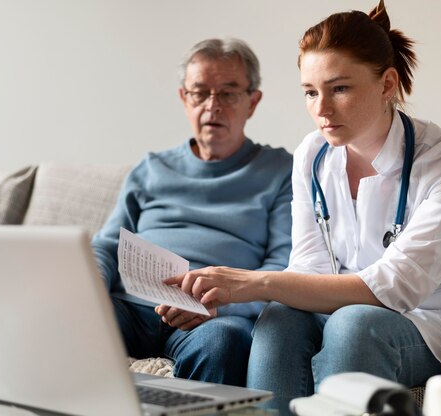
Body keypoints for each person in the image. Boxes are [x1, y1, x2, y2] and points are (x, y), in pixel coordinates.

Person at [165, 0, 441, 398]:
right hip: (340, 313)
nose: (321, 110)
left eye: (340, 88)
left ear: (387, 84)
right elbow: (310, 267)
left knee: (352, 324)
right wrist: (238, 294)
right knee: (280, 317)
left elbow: (399, 286)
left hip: (432, 320)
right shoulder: (312, 155)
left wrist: (253, 282)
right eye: (310, 92)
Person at [91, 38, 293, 387]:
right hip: (132, 306)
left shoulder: (280, 170)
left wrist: (222, 302)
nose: (213, 106)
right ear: (185, 98)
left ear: (253, 102)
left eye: (228, 93)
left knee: (223, 342)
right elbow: (108, 244)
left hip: (213, 315)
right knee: (68, 317)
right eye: (200, 93)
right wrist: (87, 286)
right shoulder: (152, 168)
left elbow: (283, 266)